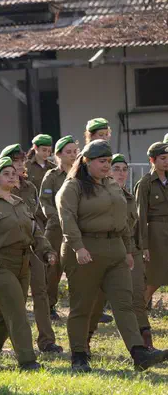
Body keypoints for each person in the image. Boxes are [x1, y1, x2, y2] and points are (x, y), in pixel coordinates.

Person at [57, 139, 168, 372]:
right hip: (86, 248)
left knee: (124, 304)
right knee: (82, 305)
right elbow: (66, 220)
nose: (107, 166)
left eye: (108, 161)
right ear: (86, 162)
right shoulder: (73, 186)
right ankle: (79, 355)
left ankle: (139, 353)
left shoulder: (111, 185)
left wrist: (128, 250)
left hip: (116, 249)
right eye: (102, 161)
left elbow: (124, 220)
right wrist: (78, 247)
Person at [0, 156, 55, 370]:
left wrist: (47, 252)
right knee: (17, 312)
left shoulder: (21, 204)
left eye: (13, 174)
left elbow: (36, 233)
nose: (11, 177)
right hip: (0, 264)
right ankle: (27, 360)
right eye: (6, 174)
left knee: (8, 314)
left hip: (23, 263)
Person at [0, 144, 63, 353]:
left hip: (31, 244)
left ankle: (46, 340)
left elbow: (34, 216)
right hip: (8, 250)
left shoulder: (30, 188)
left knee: (40, 291)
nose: (19, 166)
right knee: (5, 299)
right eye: (14, 162)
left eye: (20, 161)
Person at [89, 153, 152, 350]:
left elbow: (137, 226)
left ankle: (145, 343)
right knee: (97, 300)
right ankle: (84, 342)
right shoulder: (100, 195)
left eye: (124, 169)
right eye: (116, 169)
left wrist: (141, 249)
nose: (121, 173)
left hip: (131, 251)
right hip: (107, 251)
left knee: (136, 297)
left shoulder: (129, 196)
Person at [40, 135, 79, 319]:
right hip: (56, 227)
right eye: (68, 152)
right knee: (52, 267)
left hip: (78, 228)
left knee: (78, 267)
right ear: (59, 155)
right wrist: (57, 216)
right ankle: (49, 305)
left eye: (75, 151)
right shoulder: (52, 176)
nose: (73, 155)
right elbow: (44, 201)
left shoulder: (81, 175)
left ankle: (80, 306)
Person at [135, 142, 168, 345]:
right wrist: (143, 245)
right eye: (163, 158)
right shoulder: (146, 183)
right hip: (155, 234)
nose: (167, 161)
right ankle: (139, 316)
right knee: (153, 280)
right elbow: (141, 216)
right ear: (152, 160)